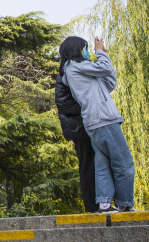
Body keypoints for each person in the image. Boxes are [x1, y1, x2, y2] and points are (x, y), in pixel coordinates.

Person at [59, 35, 136, 212]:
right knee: (124, 162)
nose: (86, 51)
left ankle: (104, 202)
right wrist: (100, 52)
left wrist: (105, 57)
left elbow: (108, 82)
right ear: (75, 49)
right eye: (83, 48)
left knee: (103, 163)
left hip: (93, 122)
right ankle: (125, 203)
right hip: (104, 119)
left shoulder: (74, 70)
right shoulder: (78, 66)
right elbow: (104, 69)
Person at [55, 72, 97, 212]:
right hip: (79, 128)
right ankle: (92, 205)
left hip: (93, 124)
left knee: (99, 165)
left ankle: (103, 201)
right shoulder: (64, 75)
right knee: (88, 166)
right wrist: (89, 105)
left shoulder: (82, 71)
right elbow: (63, 103)